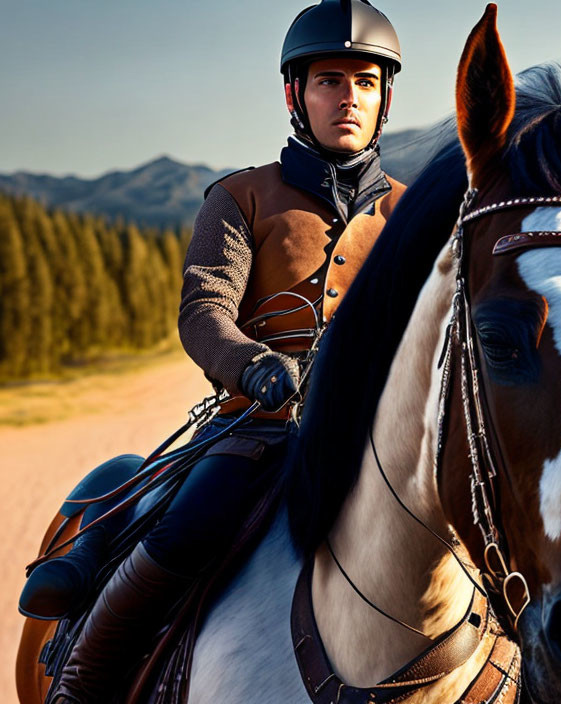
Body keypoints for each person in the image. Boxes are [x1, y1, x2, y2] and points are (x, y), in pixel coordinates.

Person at [24, 2, 406, 701]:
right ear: (296, 94)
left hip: (388, 444)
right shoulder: (238, 196)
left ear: (385, 98)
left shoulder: (414, 217)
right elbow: (203, 312)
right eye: (328, 80)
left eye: (365, 82)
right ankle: (82, 683)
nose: (347, 96)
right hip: (256, 433)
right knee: (187, 535)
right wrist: (252, 365)